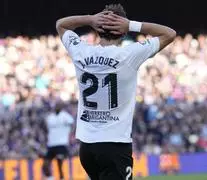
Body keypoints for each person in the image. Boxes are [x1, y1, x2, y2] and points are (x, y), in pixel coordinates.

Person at [56, 3, 176, 180]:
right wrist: (131, 25)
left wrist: (90, 19)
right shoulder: (129, 55)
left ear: (97, 29)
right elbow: (169, 34)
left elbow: (61, 25)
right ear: (123, 32)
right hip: (115, 146)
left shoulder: (80, 51)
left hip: (87, 147)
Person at [42, 101, 74, 180]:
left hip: (62, 143)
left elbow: (72, 124)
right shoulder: (50, 117)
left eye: (58, 105)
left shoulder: (65, 116)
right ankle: (50, 178)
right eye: (55, 105)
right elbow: (46, 129)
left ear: (61, 107)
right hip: (51, 144)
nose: (56, 107)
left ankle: (61, 177)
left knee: (59, 161)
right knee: (45, 165)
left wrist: (70, 136)